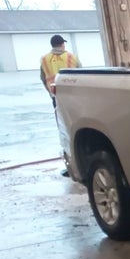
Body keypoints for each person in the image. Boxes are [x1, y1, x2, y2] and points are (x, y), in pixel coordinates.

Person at [40, 35, 80, 177]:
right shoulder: (72, 57)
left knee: (63, 131)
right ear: (62, 44)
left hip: (56, 99)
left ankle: (69, 165)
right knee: (76, 129)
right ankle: (79, 164)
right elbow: (82, 76)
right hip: (73, 99)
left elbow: (42, 78)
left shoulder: (44, 60)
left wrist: (52, 94)